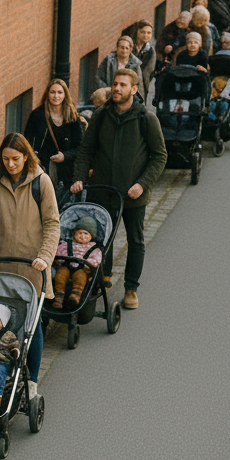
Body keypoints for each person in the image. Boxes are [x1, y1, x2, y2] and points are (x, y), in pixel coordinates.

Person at [71, 69, 167, 311]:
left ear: (134, 89)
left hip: (133, 194)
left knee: (135, 240)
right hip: (102, 190)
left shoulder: (146, 118)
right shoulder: (101, 115)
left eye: (123, 85)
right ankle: (103, 278)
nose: (116, 88)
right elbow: (86, 150)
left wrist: (142, 184)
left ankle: (131, 288)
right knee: (101, 237)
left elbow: (159, 156)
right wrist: (79, 178)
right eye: (115, 84)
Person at [0, 133, 60, 397]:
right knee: (0, 323)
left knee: (31, 326)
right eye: (5, 159)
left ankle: (32, 380)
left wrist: (45, 257)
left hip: (32, 267)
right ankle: (1, 375)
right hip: (0, 267)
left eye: (15, 159)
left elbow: (52, 224)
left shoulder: (42, 182)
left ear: (26, 156)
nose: (10, 164)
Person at [24, 78, 86, 206]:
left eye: (59, 92)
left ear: (65, 95)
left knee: (63, 205)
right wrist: (35, 157)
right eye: (52, 92)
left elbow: (80, 147)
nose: (56, 96)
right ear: (47, 93)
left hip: (67, 171)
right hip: (44, 169)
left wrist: (65, 156)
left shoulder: (72, 116)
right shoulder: (37, 115)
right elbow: (27, 141)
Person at [51, 217, 103, 309]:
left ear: (91, 236)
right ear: (74, 234)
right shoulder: (66, 244)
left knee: (81, 277)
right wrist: (59, 260)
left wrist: (89, 263)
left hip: (82, 269)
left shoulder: (94, 248)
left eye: (86, 234)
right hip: (65, 266)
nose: (82, 236)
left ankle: (76, 295)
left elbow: (97, 259)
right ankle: (59, 296)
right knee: (60, 275)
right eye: (79, 233)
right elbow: (58, 253)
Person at [95, 35, 148, 101]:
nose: (124, 50)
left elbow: (139, 84)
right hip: (110, 97)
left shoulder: (135, 64)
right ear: (117, 48)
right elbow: (99, 77)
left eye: (127, 48)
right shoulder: (109, 60)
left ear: (130, 49)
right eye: (122, 47)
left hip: (127, 98)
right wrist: (108, 91)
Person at [133, 20, 157, 99]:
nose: (146, 35)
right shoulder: (129, 47)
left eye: (148, 33)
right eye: (142, 32)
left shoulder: (150, 51)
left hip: (142, 87)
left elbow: (149, 72)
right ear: (137, 32)